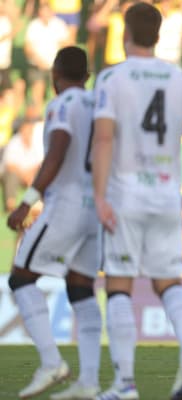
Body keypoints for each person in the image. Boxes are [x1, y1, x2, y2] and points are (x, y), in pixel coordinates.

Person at [91, 3, 182, 399]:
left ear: (126, 32)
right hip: (166, 193)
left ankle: (125, 385)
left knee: (119, 287)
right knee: (169, 282)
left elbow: (104, 138)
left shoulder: (111, 78)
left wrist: (99, 195)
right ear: (159, 34)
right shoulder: (179, 79)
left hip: (125, 193)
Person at [6, 46, 102, 400]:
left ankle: (51, 362)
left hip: (65, 206)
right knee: (81, 290)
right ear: (88, 77)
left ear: (54, 76)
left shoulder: (61, 105)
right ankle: (88, 382)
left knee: (20, 278)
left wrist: (27, 202)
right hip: (94, 209)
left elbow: (59, 148)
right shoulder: (98, 106)